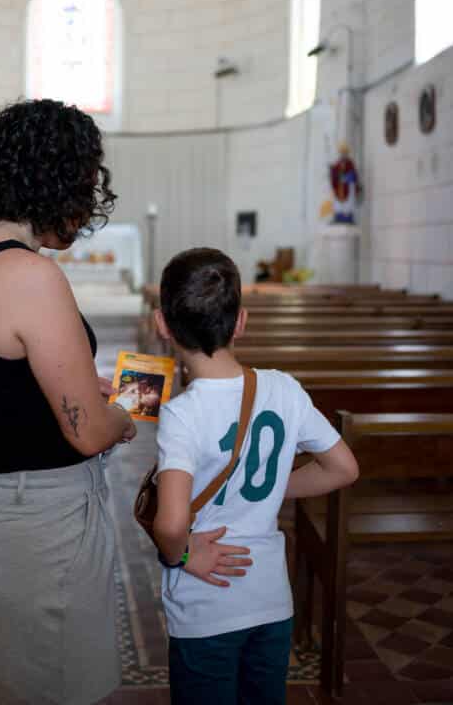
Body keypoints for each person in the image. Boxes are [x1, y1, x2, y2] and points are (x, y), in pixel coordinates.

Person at [0, 101, 247, 705]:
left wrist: (81, 394)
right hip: (40, 519)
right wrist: (127, 416)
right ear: (56, 181)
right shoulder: (28, 274)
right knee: (62, 685)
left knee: (10, 680)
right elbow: (87, 434)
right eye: (84, 183)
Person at [151, 248, 359, 705]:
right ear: (241, 321)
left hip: (206, 606)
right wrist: (264, 488)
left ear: (162, 325)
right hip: (270, 601)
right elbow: (344, 468)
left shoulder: (182, 415)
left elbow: (168, 525)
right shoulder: (284, 388)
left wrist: (184, 556)